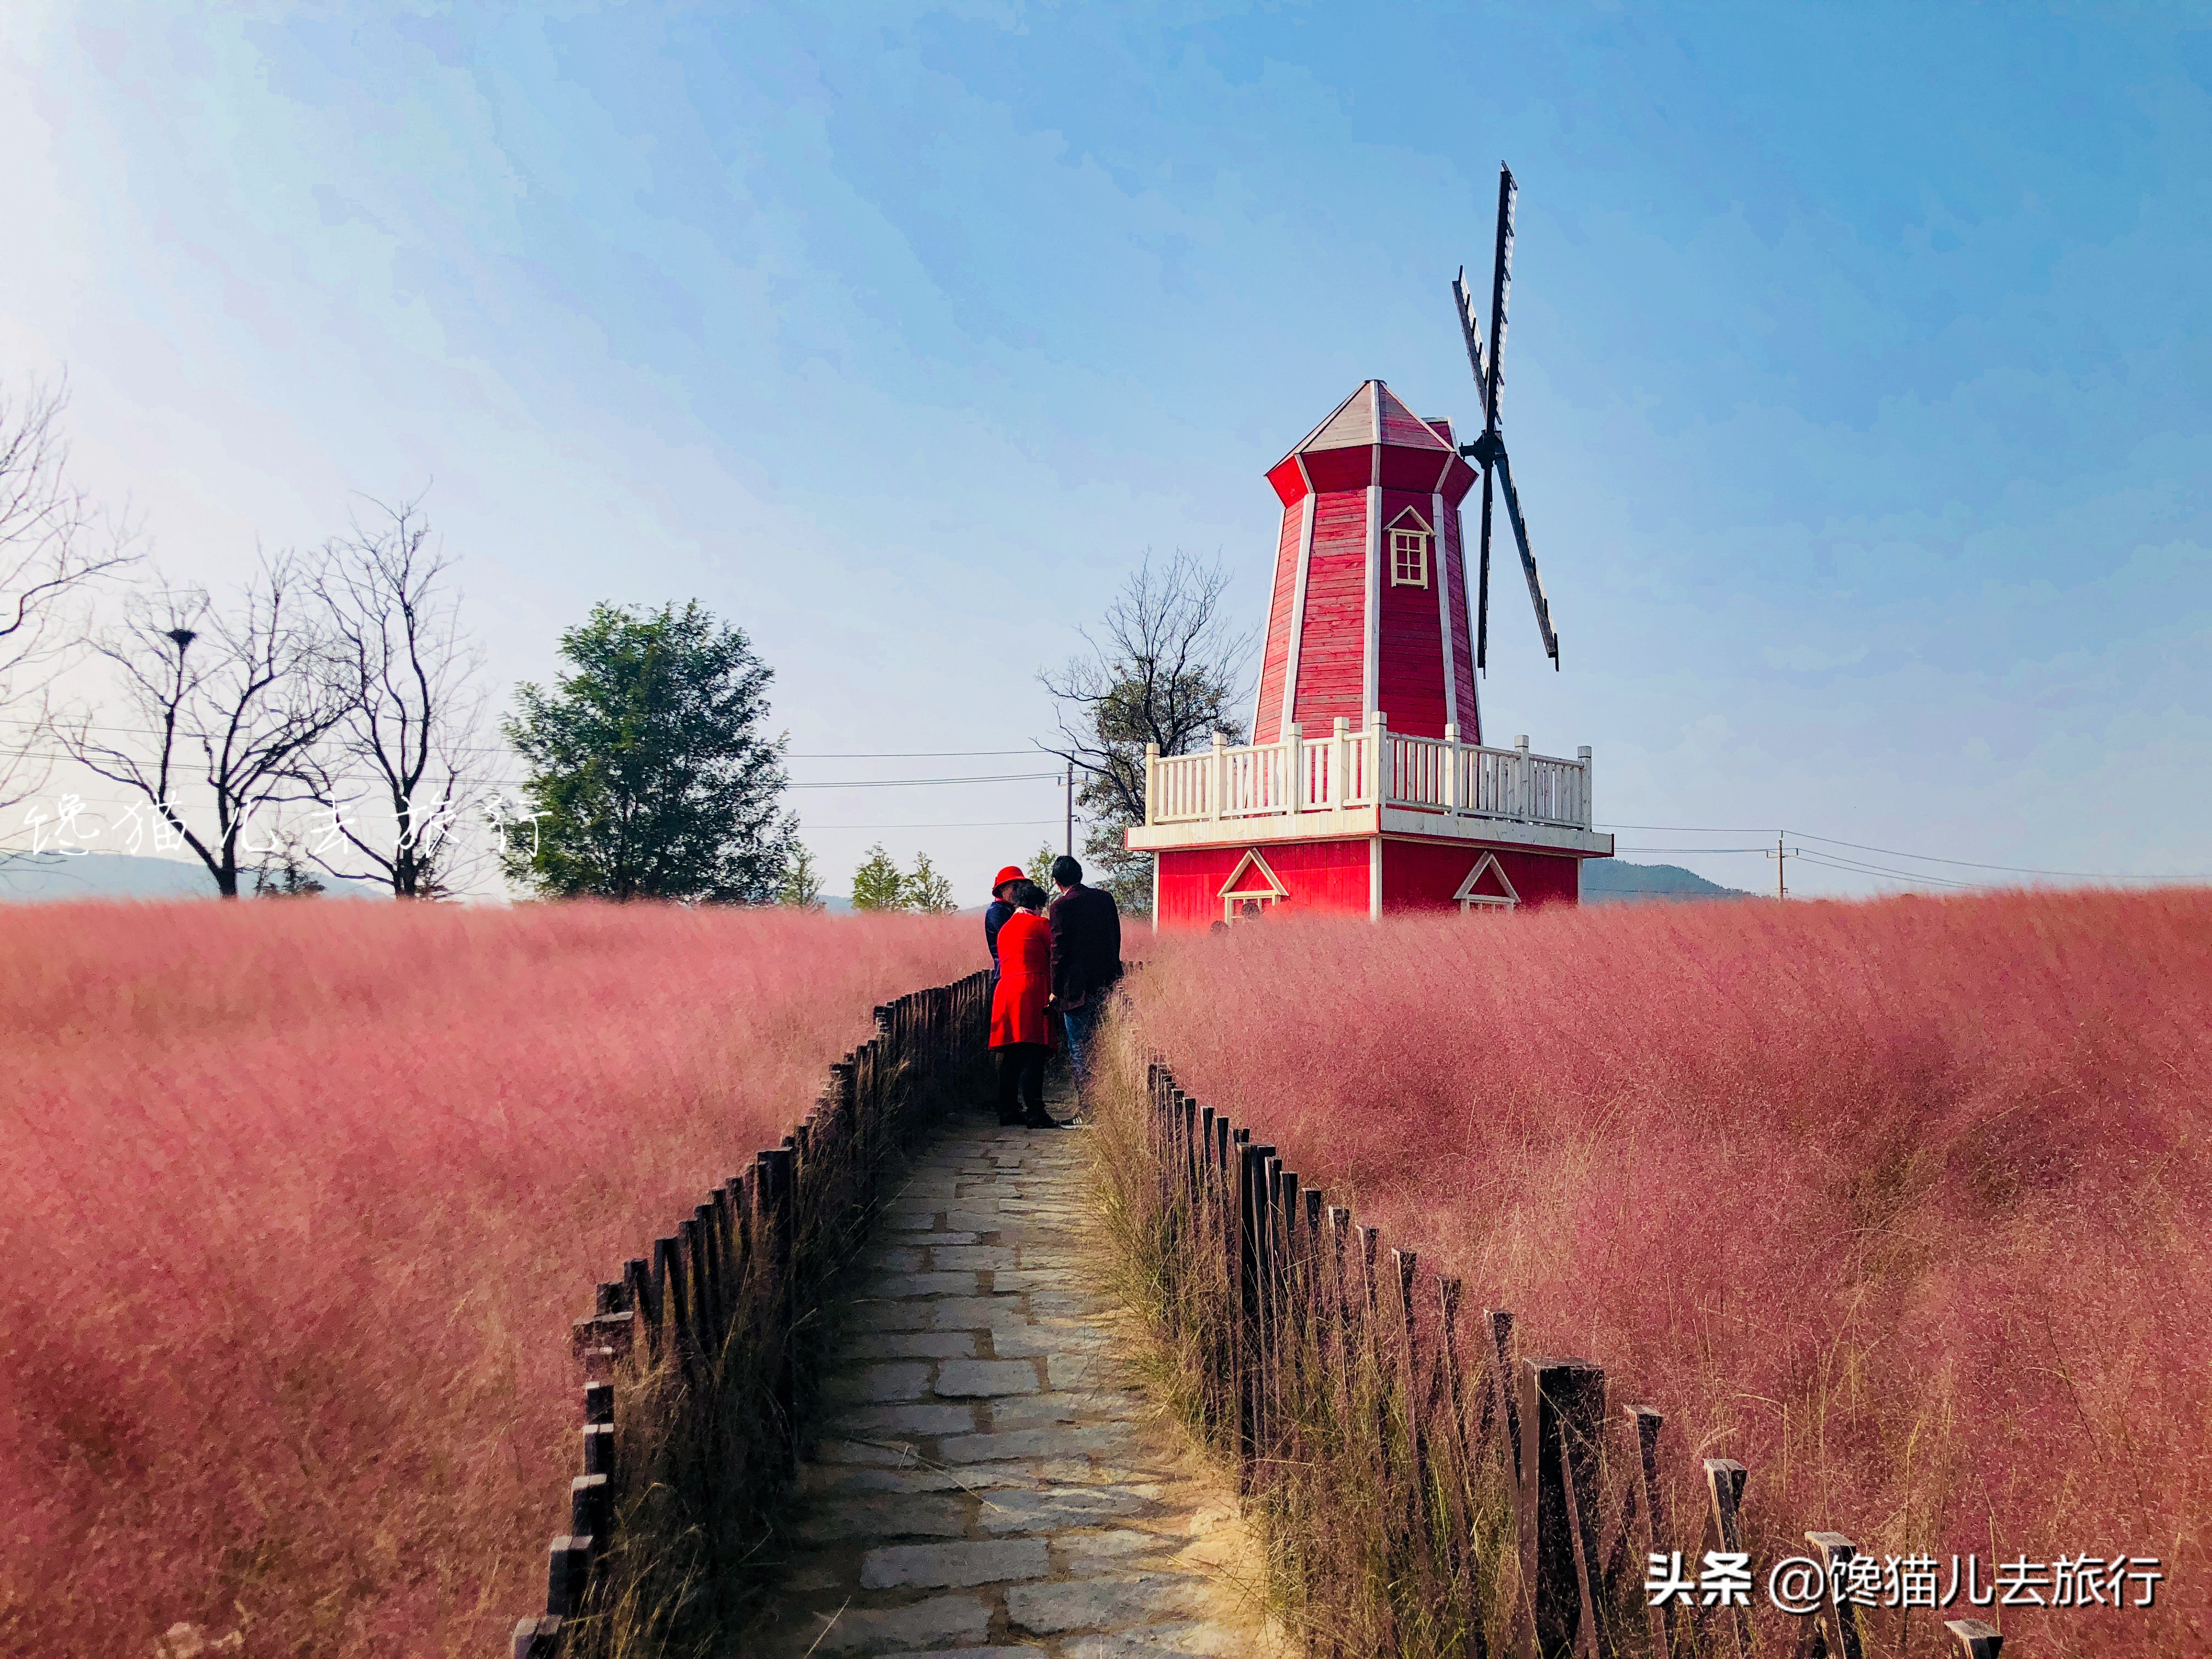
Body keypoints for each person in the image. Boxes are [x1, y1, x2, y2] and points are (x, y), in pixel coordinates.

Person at [988, 881, 1064, 1129]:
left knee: (1012, 1055)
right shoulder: (1041, 925)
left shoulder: (1005, 929)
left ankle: (1008, 1111)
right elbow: (1055, 956)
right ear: (1037, 906)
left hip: (1006, 992)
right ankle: (1035, 1113)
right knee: (1034, 1053)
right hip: (1031, 991)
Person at [1045, 854, 1121, 1103]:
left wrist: (1055, 989)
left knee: (1080, 1048)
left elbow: (1059, 952)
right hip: (1106, 982)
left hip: (1076, 989)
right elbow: (1115, 938)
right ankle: (1107, 1104)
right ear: (1080, 874)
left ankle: (1088, 1106)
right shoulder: (1104, 899)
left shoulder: (1060, 907)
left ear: (1057, 882)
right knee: (1103, 1044)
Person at [983, 864, 1025, 978]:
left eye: (1021, 887)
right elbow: (1012, 939)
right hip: (1005, 974)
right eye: (1015, 887)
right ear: (1002, 889)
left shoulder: (1009, 909)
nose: (1019, 891)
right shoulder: (997, 912)